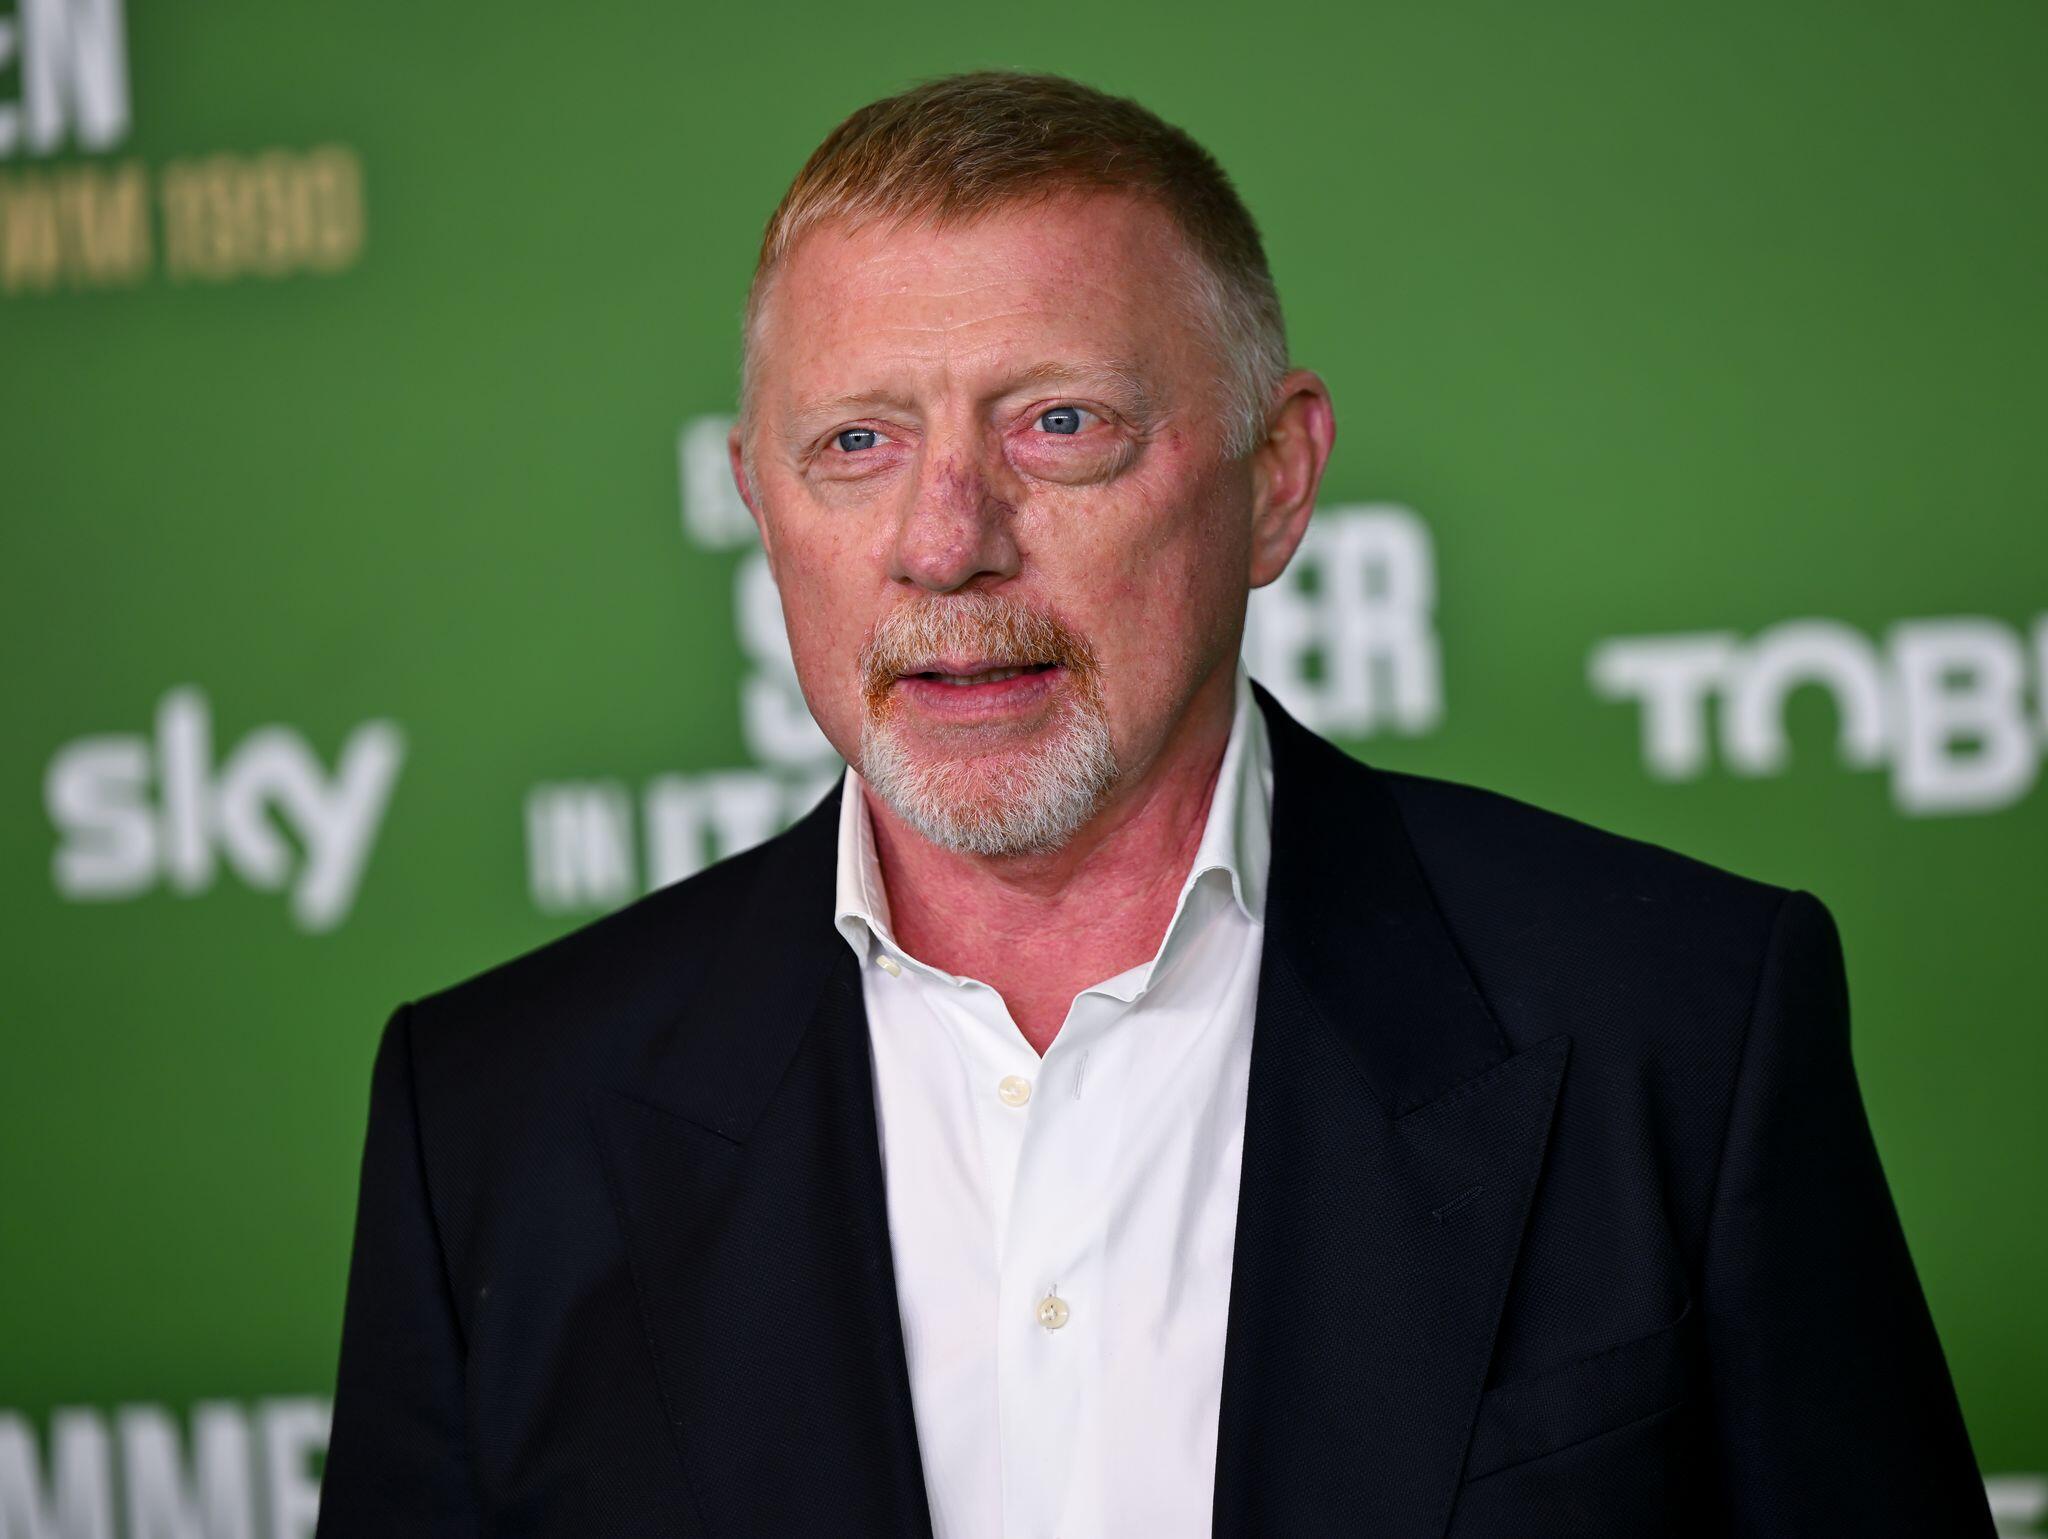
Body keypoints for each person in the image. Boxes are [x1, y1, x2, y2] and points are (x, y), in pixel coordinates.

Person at [315, 71, 1994, 1537]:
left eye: (1060, 425)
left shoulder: (1679, 1029)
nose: (946, 541)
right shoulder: (494, 1128)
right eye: (857, 445)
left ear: (1277, 480)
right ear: (760, 500)